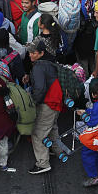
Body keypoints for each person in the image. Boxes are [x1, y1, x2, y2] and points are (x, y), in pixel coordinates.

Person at [26, 39, 63, 174]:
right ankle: (58, 151)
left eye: (34, 53)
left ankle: (43, 164)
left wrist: (34, 102)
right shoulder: (50, 62)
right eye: (29, 52)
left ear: (41, 53)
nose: (30, 55)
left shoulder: (38, 67)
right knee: (52, 127)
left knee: (38, 134)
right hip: (57, 101)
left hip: (48, 103)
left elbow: (40, 88)